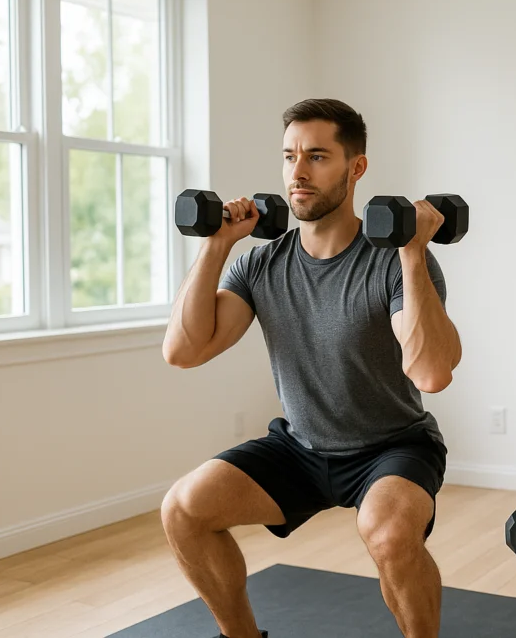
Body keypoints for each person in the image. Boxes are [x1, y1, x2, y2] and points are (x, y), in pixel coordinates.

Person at [160, 98, 460, 638]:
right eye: (289, 156)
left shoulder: (392, 260)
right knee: (183, 509)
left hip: (391, 446)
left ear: (356, 167)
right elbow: (184, 351)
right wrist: (216, 247)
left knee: (389, 535)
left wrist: (413, 253)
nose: (298, 172)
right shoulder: (261, 262)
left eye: (317, 156)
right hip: (301, 446)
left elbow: (432, 374)